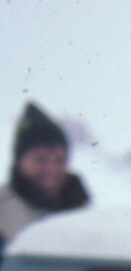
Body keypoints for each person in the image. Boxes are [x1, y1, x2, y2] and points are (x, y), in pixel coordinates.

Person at [0, 102, 90, 248]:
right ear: (20, 160)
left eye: (59, 160)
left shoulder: (82, 211)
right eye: (40, 159)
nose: (51, 170)